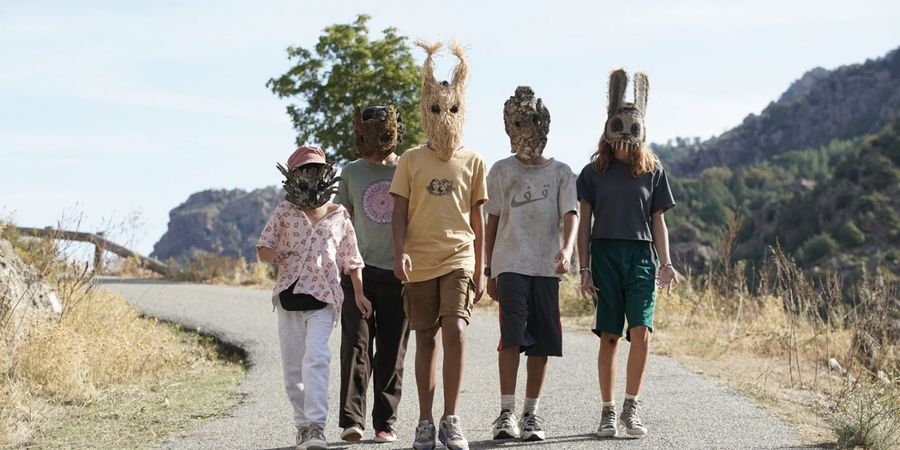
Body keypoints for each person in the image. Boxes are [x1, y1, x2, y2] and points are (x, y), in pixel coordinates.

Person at [390, 40, 487, 450]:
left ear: (461, 108)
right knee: (425, 337)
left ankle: (452, 418)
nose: (444, 116)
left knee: (456, 330)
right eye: (436, 109)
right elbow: (398, 212)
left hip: (459, 258)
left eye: (451, 109)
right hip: (420, 262)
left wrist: (482, 267)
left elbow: (478, 217)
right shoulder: (410, 160)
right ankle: (425, 422)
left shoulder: (473, 161)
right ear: (425, 108)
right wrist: (400, 252)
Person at [575, 70, 677, 439]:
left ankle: (631, 407)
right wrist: (583, 268)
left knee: (642, 332)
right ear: (609, 128)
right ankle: (607, 411)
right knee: (609, 336)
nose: (625, 138)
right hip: (604, 254)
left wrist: (666, 263)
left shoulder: (652, 171)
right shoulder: (592, 172)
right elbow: (584, 225)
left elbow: (659, 222)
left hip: (640, 256)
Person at [257, 145, 370, 450]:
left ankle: (317, 427)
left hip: (323, 297)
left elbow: (351, 258)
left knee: (317, 358)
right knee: (294, 368)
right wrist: (276, 254)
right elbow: (263, 247)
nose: (312, 174)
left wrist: (359, 294)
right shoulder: (284, 211)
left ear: (325, 173)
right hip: (289, 297)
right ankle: (303, 426)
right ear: (294, 176)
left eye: (316, 169)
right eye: (305, 169)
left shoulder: (339, 216)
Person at [485, 86, 578, 442]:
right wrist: (489, 270)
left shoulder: (561, 172)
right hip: (510, 264)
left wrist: (567, 250)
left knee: (541, 343)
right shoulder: (501, 171)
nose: (527, 128)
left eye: (533, 121)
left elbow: (570, 214)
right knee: (510, 338)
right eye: (519, 122)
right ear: (509, 126)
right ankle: (506, 413)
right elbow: (492, 220)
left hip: (545, 267)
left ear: (545, 124)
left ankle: (530, 414)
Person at [334, 105, 410, 444]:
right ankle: (353, 420)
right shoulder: (351, 172)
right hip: (357, 273)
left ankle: (385, 423)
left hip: (398, 272)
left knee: (392, 351)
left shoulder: (408, 167)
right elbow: (340, 220)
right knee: (355, 346)